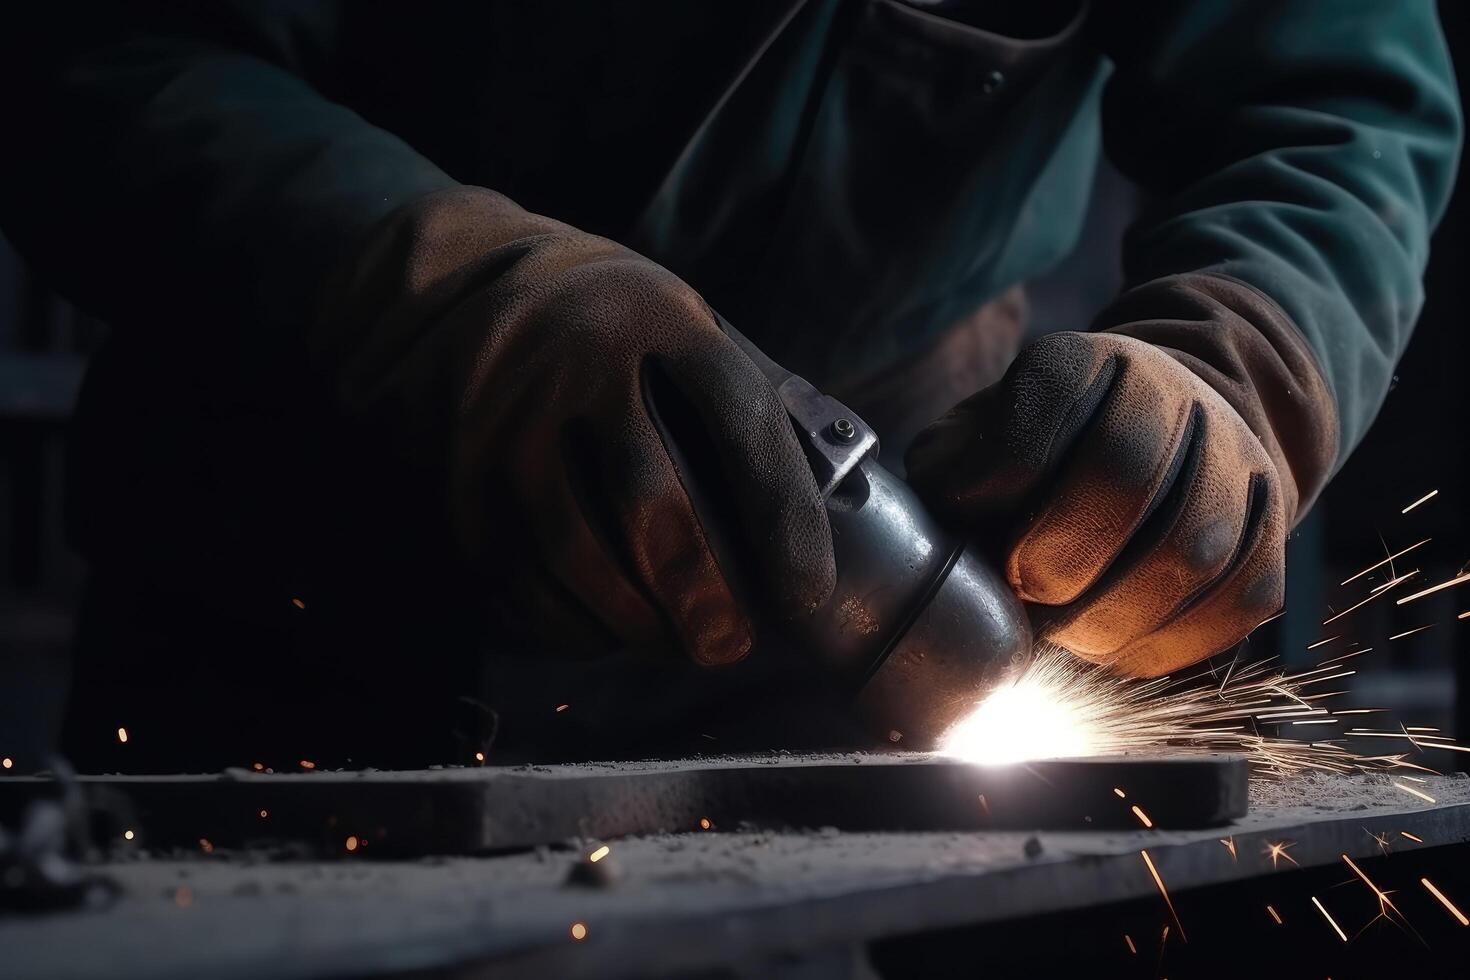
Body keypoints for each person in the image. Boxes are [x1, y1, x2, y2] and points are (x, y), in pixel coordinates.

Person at [0, 1, 1459, 769]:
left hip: (841, 668)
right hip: (297, 592)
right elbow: (97, 51)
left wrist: (1239, 359)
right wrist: (442, 301)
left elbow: (1330, 103)